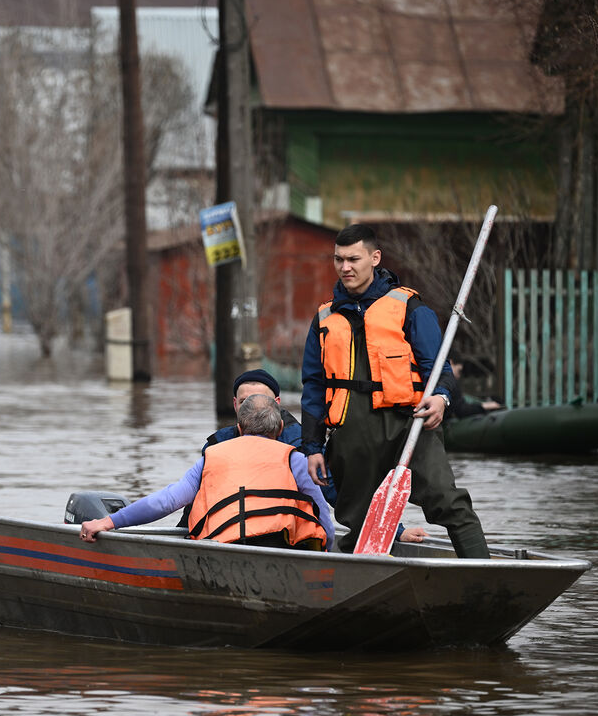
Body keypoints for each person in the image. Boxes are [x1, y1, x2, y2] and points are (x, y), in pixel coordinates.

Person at [300, 223, 489, 558]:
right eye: (339, 259)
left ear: (375, 258)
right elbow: (314, 387)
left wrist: (441, 399)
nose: (345, 267)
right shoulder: (324, 318)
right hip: (351, 432)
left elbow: (441, 372)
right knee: (359, 519)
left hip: (409, 425)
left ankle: (485, 572)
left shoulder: (411, 309)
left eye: (354, 259)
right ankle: (360, 579)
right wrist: (313, 447)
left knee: (449, 501)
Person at [199, 367, 428, 544]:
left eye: (262, 401)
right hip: (231, 533)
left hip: (285, 538)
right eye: (244, 402)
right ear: (235, 405)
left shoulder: (303, 447)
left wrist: (394, 531)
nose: (254, 409)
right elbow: (196, 497)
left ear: (277, 405)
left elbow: (341, 496)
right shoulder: (217, 444)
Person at [80, 394, 335, 551]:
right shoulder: (296, 460)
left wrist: (108, 521)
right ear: (281, 429)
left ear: (239, 427)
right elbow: (324, 517)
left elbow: (167, 501)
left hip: (223, 547)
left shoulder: (212, 457)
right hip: (280, 546)